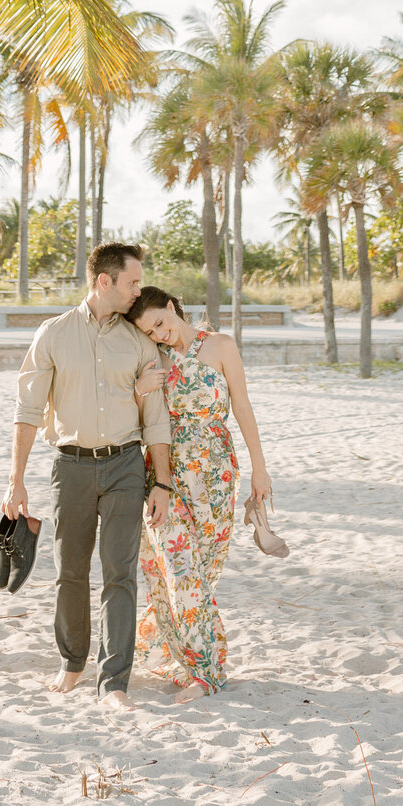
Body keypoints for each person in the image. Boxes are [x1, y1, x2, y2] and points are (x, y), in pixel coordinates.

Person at [3, 242, 173, 711]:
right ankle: (73, 661)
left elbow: (156, 417)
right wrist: (15, 480)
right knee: (70, 572)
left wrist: (161, 481)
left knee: (120, 574)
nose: (139, 290)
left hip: (124, 465)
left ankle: (114, 681)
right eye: (133, 282)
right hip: (70, 466)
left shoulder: (140, 342)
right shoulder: (52, 334)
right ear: (105, 281)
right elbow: (28, 410)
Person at [127, 285, 274, 702]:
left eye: (161, 323)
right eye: (150, 332)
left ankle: (188, 657)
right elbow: (137, 417)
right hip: (163, 476)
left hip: (215, 473)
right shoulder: (151, 358)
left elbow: (243, 408)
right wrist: (140, 389)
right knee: (176, 572)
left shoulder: (221, 346)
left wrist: (259, 470)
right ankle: (207, 670)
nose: (160, 334)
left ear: (173, 308)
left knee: (203, 573)